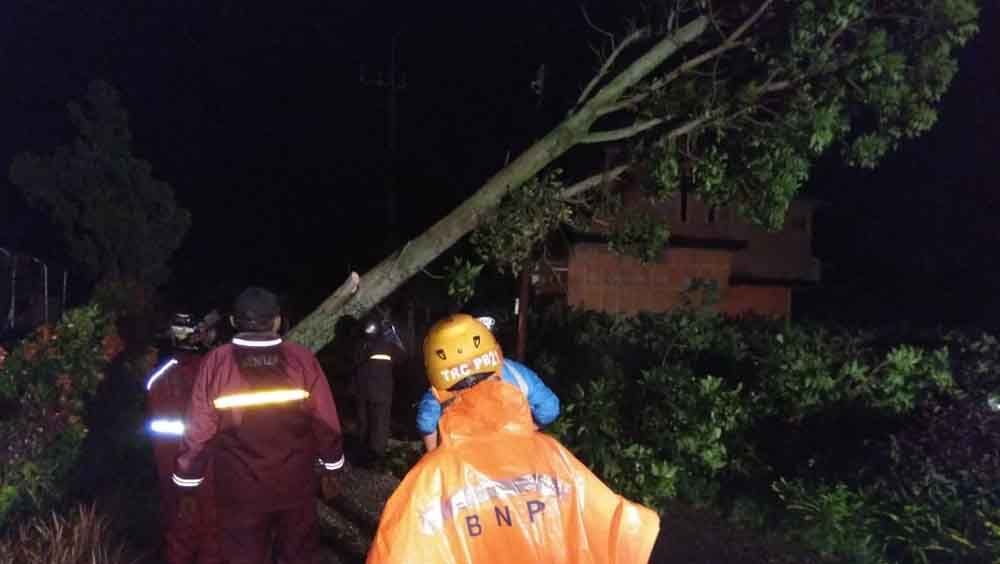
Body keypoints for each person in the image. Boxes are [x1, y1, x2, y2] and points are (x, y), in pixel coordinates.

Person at [366, 314, 661, 563]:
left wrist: (436, 458)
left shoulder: (429, 480)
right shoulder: (554, 458)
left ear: (437, 387)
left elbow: (394, 554)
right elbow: (626, 531)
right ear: (497, 364)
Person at [172, 287, 345, 564]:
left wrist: (188, 484)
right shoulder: (301, 359)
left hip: (239, 491)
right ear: (277, 321)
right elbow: (325, 421)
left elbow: (198, 431)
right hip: (295, 486)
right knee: (298, 555)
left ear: (233, 321)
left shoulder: (216, 363)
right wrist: (331, 468)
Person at [415, 312, 559, 452]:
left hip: (466, 461)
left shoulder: (440, 389)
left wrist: (434, 455)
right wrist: (527, 429)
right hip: (517, 456)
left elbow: (426, 424)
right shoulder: (514, 371)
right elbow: (550, 408)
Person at [146, 311, 222, 564]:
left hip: (171, 473)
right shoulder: (213, 373)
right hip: (209, 470)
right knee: (211, 536)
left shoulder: (157, 378)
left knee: (179, 536)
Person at [353, 314, 405, 465]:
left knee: (364, 423)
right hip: (382, 392)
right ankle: (376, 456)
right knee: (380, 424)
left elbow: (353, 362)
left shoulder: (360, 345)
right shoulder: (388, 345)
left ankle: (363, 454)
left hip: (363, 391)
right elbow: (402, 357)